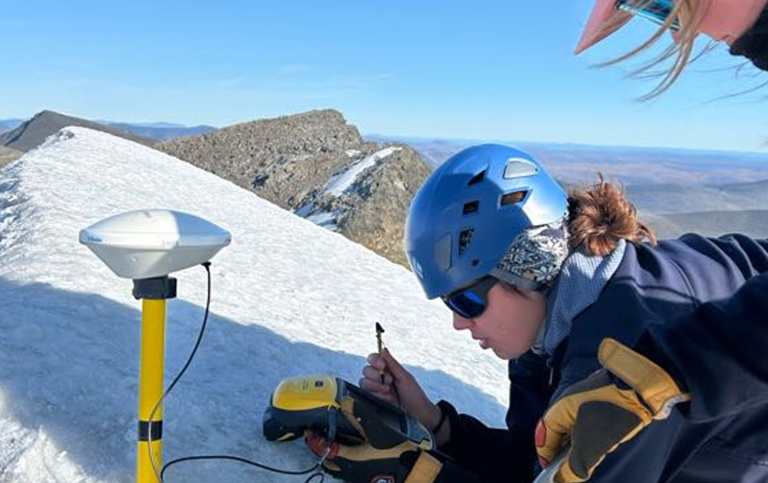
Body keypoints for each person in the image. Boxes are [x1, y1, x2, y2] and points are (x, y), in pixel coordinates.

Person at [307, 1, 768, 482]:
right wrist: (437, 426)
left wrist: (410, 474)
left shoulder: (623, 349)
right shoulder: (552, 324)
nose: (458, 324)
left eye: (466, 299)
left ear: (524, 270)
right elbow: (534, 464)